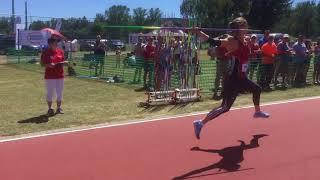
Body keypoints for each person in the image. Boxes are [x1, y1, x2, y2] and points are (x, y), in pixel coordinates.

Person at [193, 17, 270, 139]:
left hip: (242, 78)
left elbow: (244, 53)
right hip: (233, 79)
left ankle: (257, 112)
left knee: (257, 89)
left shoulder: (244, 40)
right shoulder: (231, 41)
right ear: (238, 29)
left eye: (246, 26)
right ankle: (200, 123)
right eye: (244, 27)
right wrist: (199, 33)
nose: (247, 28)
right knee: (224, 107)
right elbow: (213, 41)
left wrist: (248, 43)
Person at [40, 35, 67, 116]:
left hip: (60, 76)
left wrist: (65, 63)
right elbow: (42, 64)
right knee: (50, 93)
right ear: (50, 43)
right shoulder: (45, 52)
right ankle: (50, 109)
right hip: (50, 76)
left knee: (60, 93)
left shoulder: (60, 51)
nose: (56, 44)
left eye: (57, 42)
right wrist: (48, 65)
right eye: (54, 42)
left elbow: (62, 61)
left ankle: (59, 108)